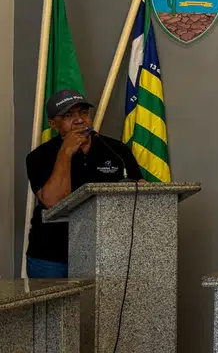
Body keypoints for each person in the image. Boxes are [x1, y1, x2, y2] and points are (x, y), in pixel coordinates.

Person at [25, 90, 143, 278]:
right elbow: (53, 202)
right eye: (68, 116)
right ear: (53, 124)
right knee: (53, 299)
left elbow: (138, 190)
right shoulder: (39, 156)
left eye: (84, 113)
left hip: (106, 252)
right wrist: (65, 152)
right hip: (52, 255)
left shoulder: (117, 150)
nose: (80, 120)